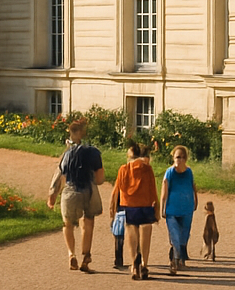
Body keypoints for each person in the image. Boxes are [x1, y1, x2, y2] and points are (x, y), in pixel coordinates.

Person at [47, 118, 106, 272]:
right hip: (89, 191)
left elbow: (59, 174)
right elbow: (100, 180)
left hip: (70, 191)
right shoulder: (93, 152)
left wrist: (52, 194)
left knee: (68, 224)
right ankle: (86, 256)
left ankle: (71, 254)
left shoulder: (67, 154)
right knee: (88, 223)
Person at [110, 141, 159, 280]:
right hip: (146, 204)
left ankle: (133, 263)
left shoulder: (123, 169)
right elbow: (152, 188)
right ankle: (144, 263)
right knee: (146, 232)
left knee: (131, 231)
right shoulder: (147, 169)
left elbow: (118, 190)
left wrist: (113, 208)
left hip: (129, 204)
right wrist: (156, 207)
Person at [161, 145, 197, 274]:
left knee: (184, 236)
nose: (180, 160)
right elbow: (164, 190)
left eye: (182, 157)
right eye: (177, 157)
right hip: (172, 209)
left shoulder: (189, 172)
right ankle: (174, 261)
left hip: (187, 208)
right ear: (173, 158)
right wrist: (162, 207)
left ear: (186, 159)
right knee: (174, 235)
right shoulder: (170, 172)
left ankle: (181, 261)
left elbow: (193, 186)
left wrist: (195, 201)